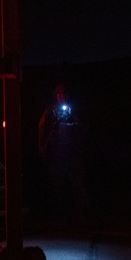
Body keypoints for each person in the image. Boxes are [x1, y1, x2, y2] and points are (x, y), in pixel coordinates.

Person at [38, 83, 90, 223]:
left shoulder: (75, 111)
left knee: (77, 184)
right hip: (57, 155)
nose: (63, 97)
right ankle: (59, 216)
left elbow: (84, 131)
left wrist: (74, 120)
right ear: (57, 95)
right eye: (60, 94)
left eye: (65, 94)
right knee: (57, 186)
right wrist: (44, 151)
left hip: (72, 153)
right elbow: (43, 133)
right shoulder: (50, 112)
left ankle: (83, 215)